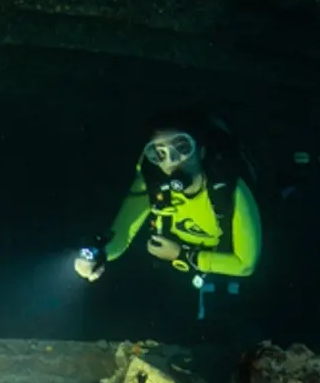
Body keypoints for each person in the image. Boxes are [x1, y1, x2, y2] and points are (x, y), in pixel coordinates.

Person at [74, 123, 262, 288]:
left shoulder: (229, 190)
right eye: (159, 153)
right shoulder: (151, 184)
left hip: (225, 279)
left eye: (182, 147)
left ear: (202, 151)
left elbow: (246, 265)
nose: (171, 160)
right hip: (170, 278)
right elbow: (122, 234)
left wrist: (183, 256)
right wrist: (98, 255)